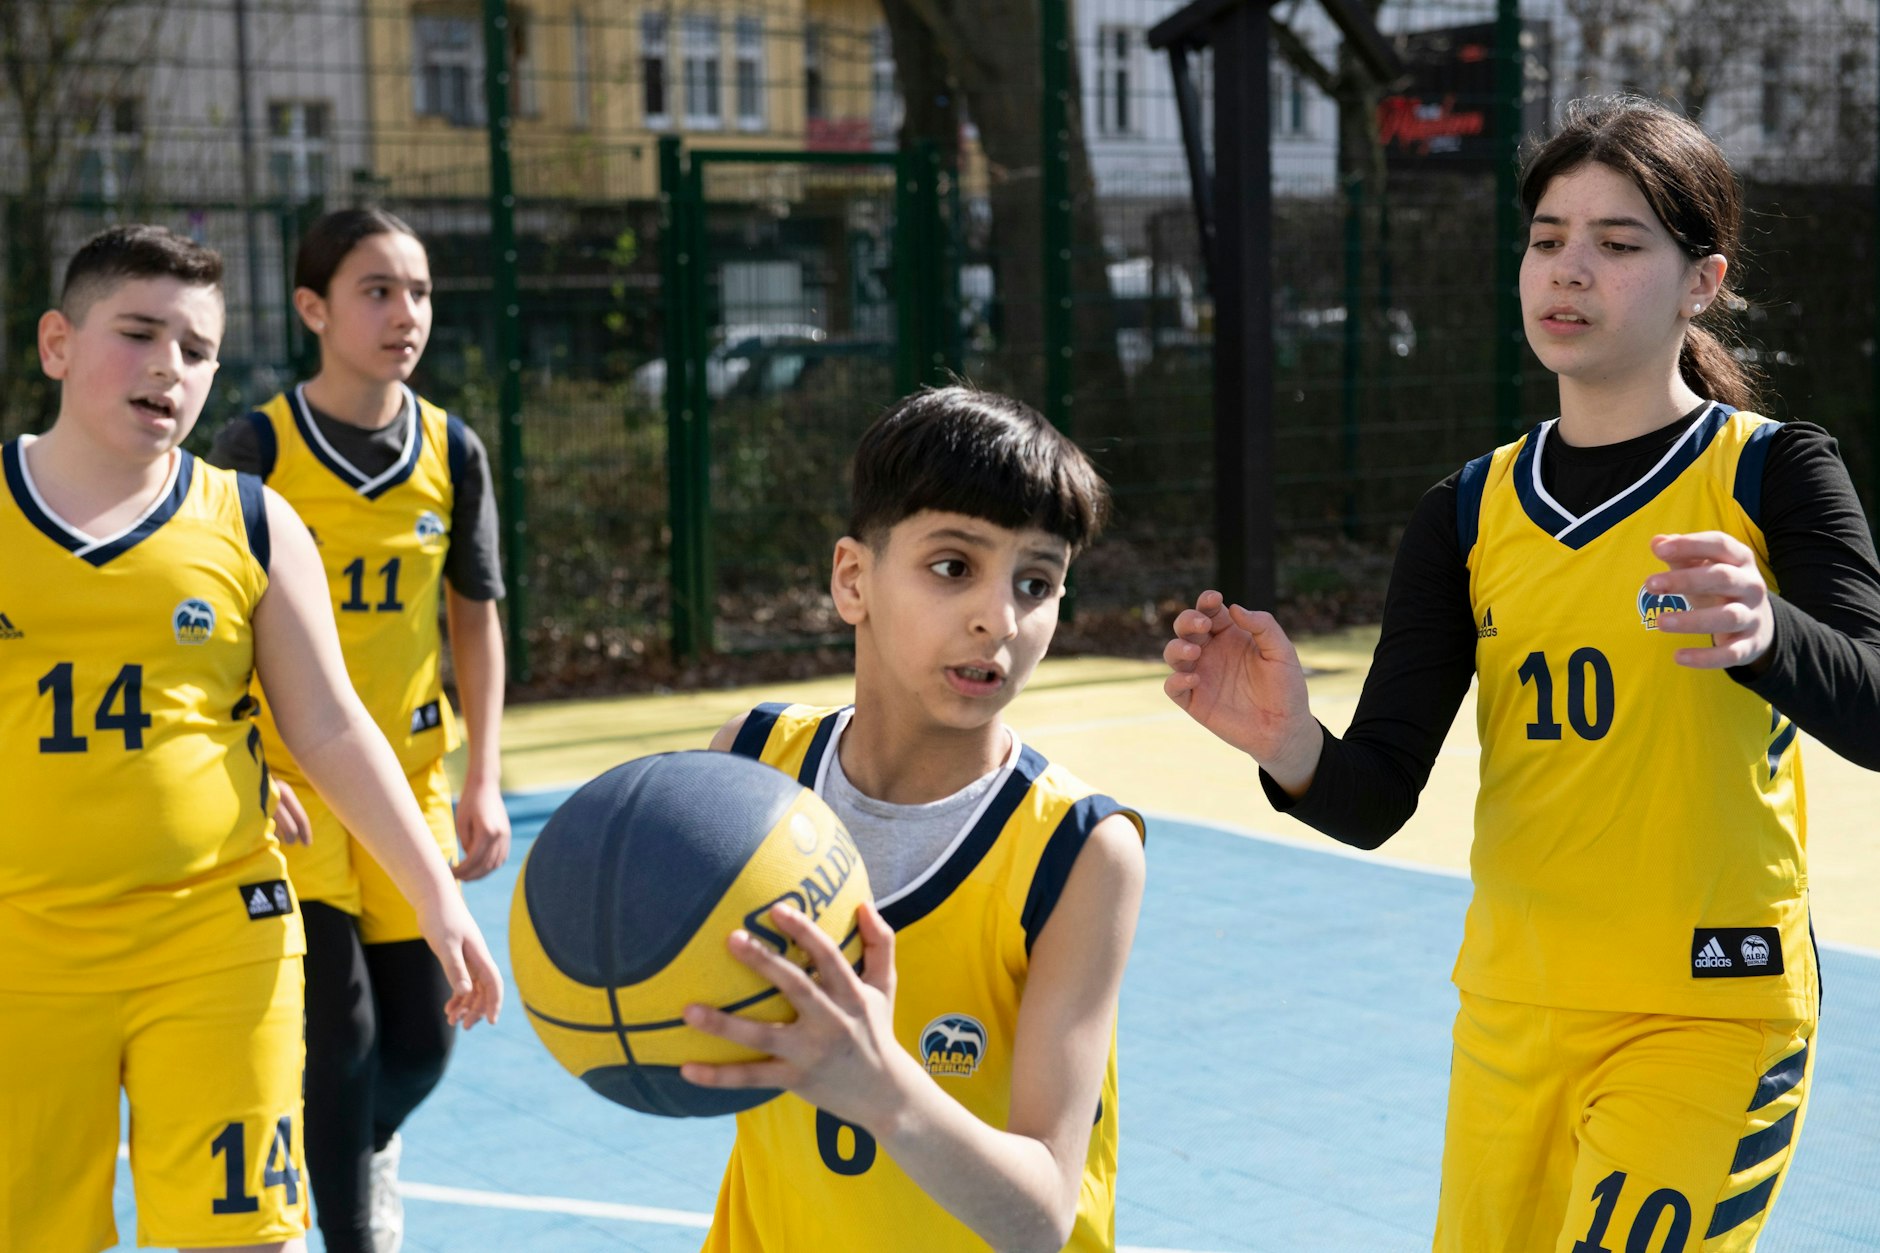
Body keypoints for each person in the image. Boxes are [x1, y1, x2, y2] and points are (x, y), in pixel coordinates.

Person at [1164, 94, 1880, 1251]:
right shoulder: (1464, 508)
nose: (1570, 270)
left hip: (1707, 1006)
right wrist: (1286, 742)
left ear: (1700, 280)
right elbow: (1374, 795)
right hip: (1514, 1011)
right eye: (1547, 238)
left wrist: (1768, 633)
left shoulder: (1773, 474)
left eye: (1616, 241)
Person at [0, 226, 500, 1253]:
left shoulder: (253, 522)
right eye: (137, 333)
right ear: (57, 343)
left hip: (216, 938)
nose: (167, 368)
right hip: (24, 949)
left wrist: (436, 896)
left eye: (195, 349)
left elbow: (327, 725)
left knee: (249, 1239)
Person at [682, 385, 1146, 1252]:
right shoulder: (748, 765)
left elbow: (1043, 1215)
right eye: (952, 566)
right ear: (853, 579)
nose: (997, 617)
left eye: (1036, 582)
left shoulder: (1079, 851)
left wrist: (883, 1086)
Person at [207, 207, 509, 1253]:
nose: (405, 312)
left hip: (411, 780)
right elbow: (203, 620)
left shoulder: (452, 449)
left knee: (420, 1045)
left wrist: (483, 776)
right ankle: (345, 1228)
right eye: (377, 289)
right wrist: (238, 759)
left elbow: (475, 614)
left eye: (419, 290)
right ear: (312, 308)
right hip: (293, 784)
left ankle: (347, 1149)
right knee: (337, 1034)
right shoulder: (256, 446)